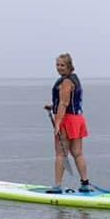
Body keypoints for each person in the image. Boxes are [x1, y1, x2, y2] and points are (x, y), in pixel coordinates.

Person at [44, 53, 92, 193]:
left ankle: (57, 186)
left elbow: (64, 103)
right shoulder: (74, 79)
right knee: (78, 153)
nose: (59, 68)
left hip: (67, 120)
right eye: (57, 65)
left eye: (62, 65)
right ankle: (85, 184)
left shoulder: (65, 82)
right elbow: (69, 102)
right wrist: (52, 107)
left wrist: (57, 123)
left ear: (69, 66)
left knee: (60, 154)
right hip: (77, 119)